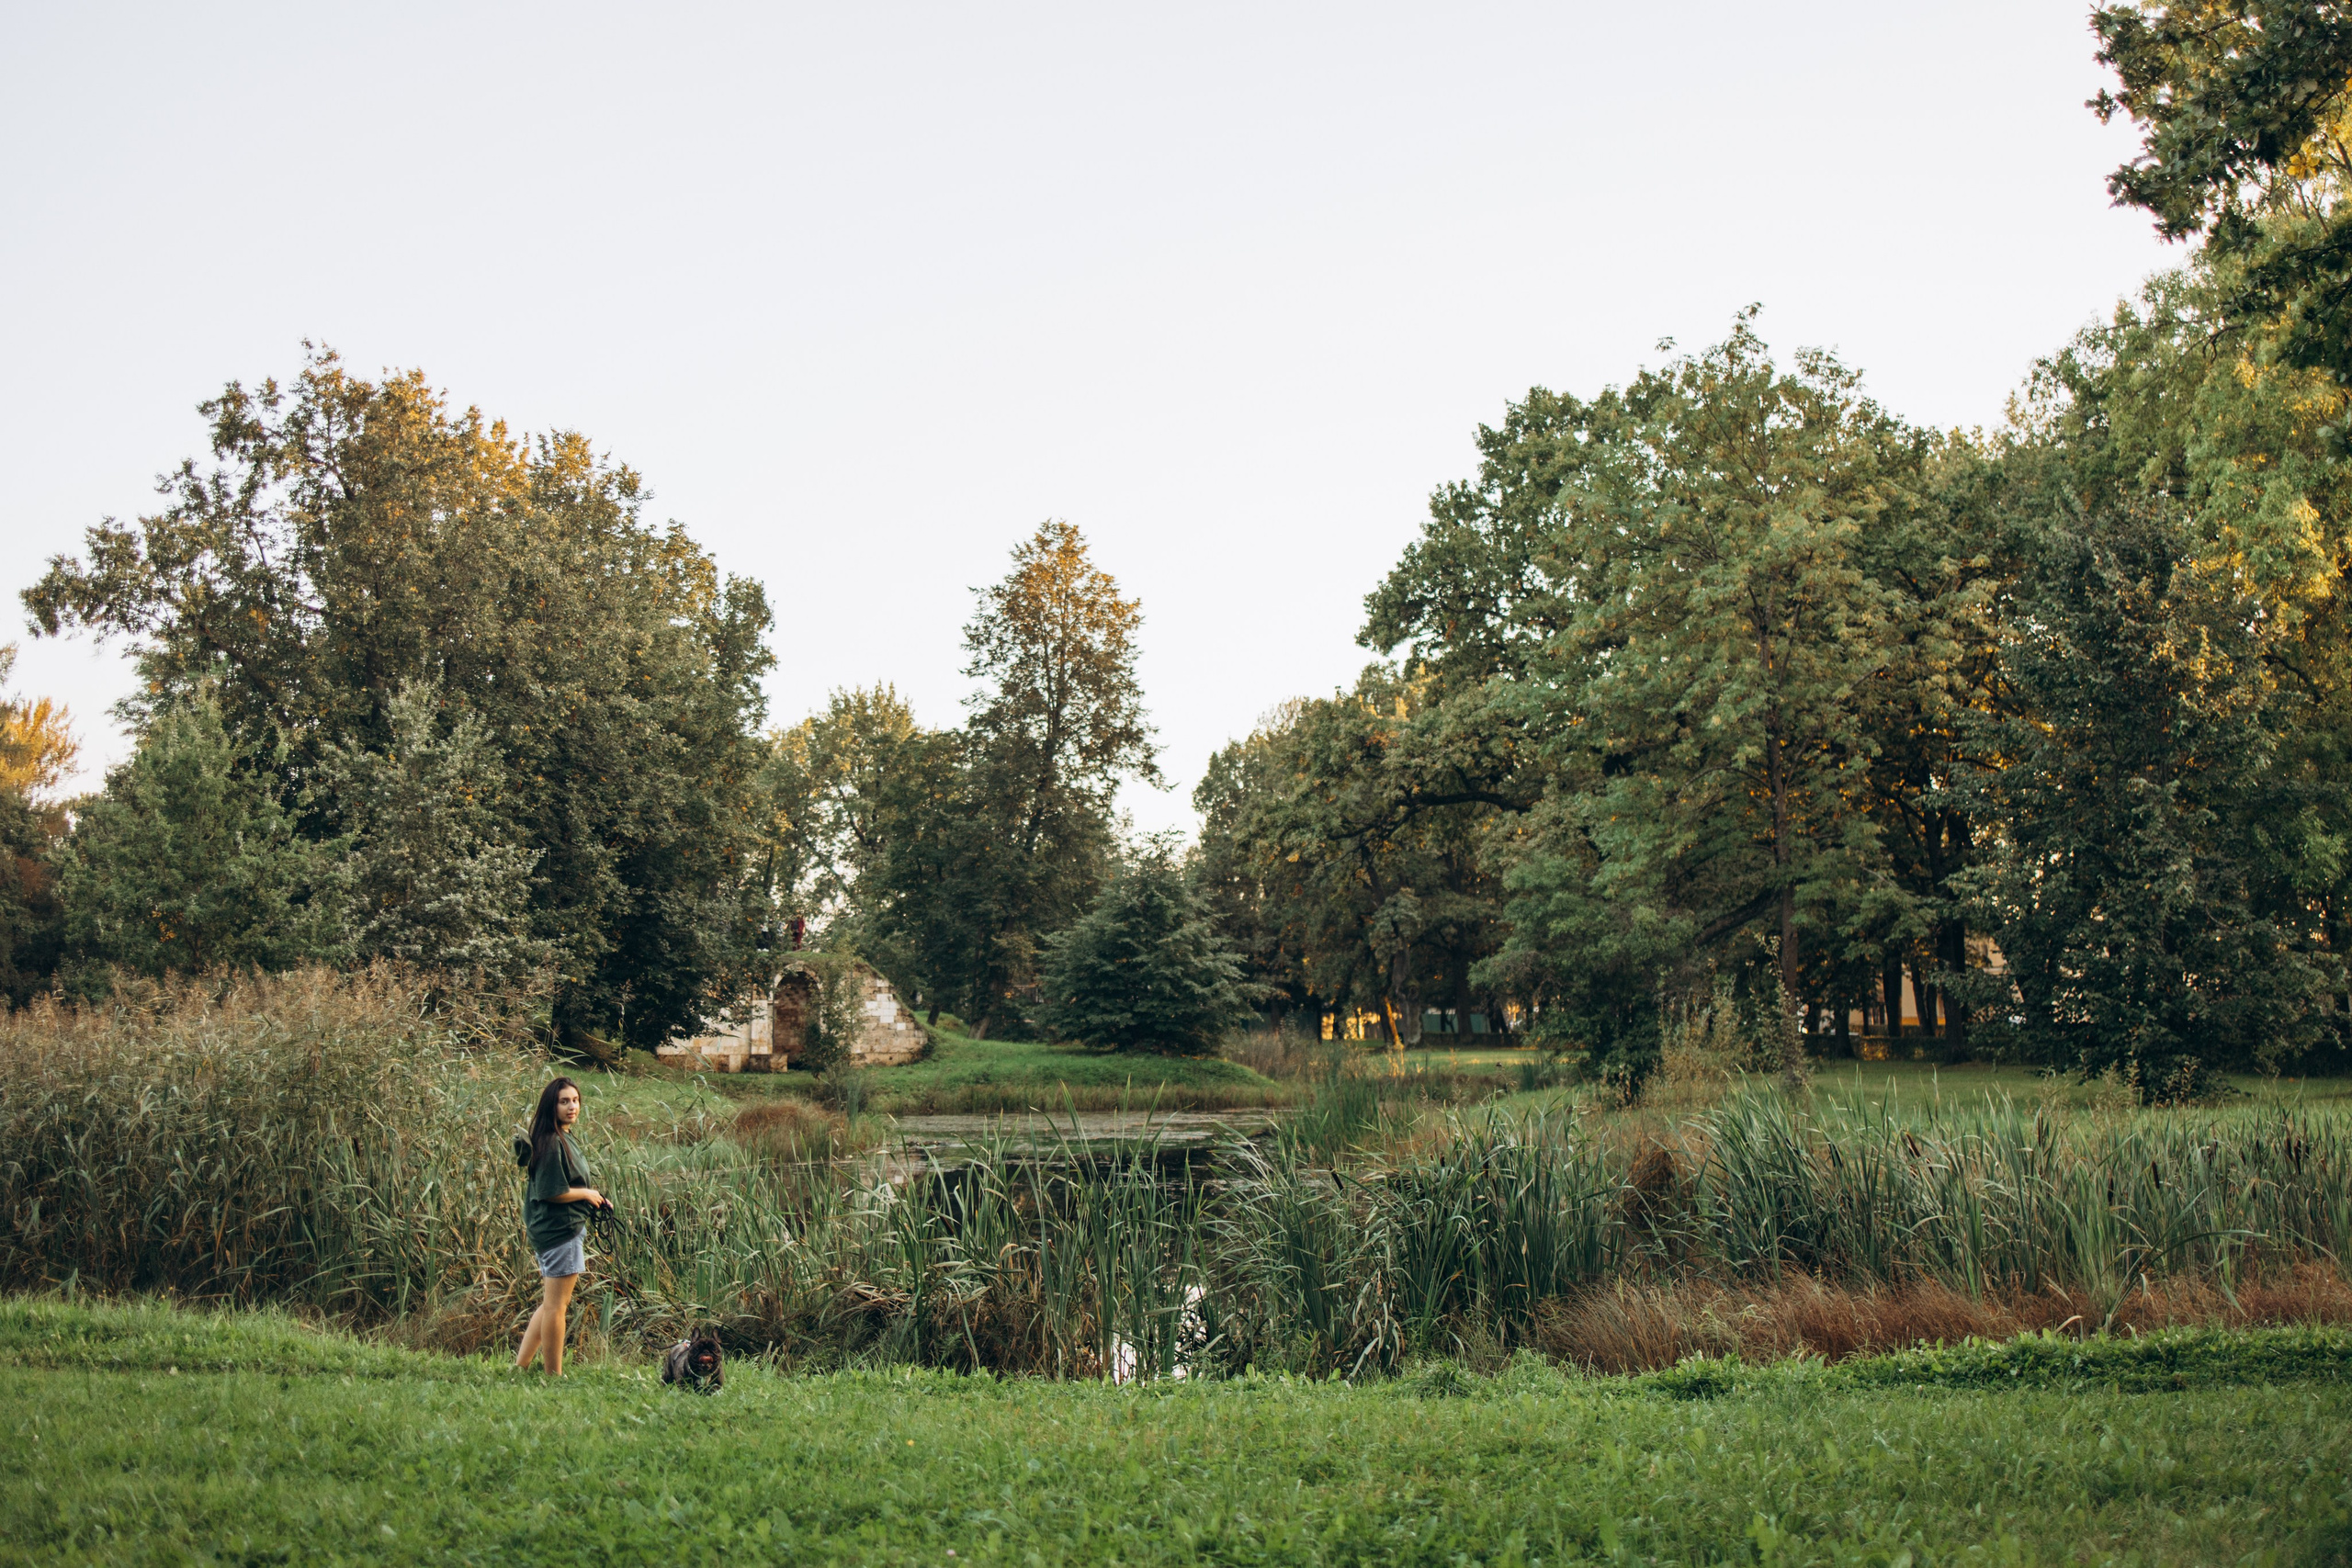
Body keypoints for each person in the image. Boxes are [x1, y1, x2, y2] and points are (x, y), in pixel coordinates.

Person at [514, 1077, 604, 1375]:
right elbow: (552, 1192)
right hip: (558, 1232)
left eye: (575, 1100)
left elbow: (567, 1184)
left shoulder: (561, 1135)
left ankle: (521, 1366)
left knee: (551, 1302)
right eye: (564, 1101)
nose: (572, 1106)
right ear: (552, 1105)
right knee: (556, 1307)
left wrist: (594, 1199)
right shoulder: (552, 1141)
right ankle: (553, 1375)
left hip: (560, 1229)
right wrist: (588, 1194)